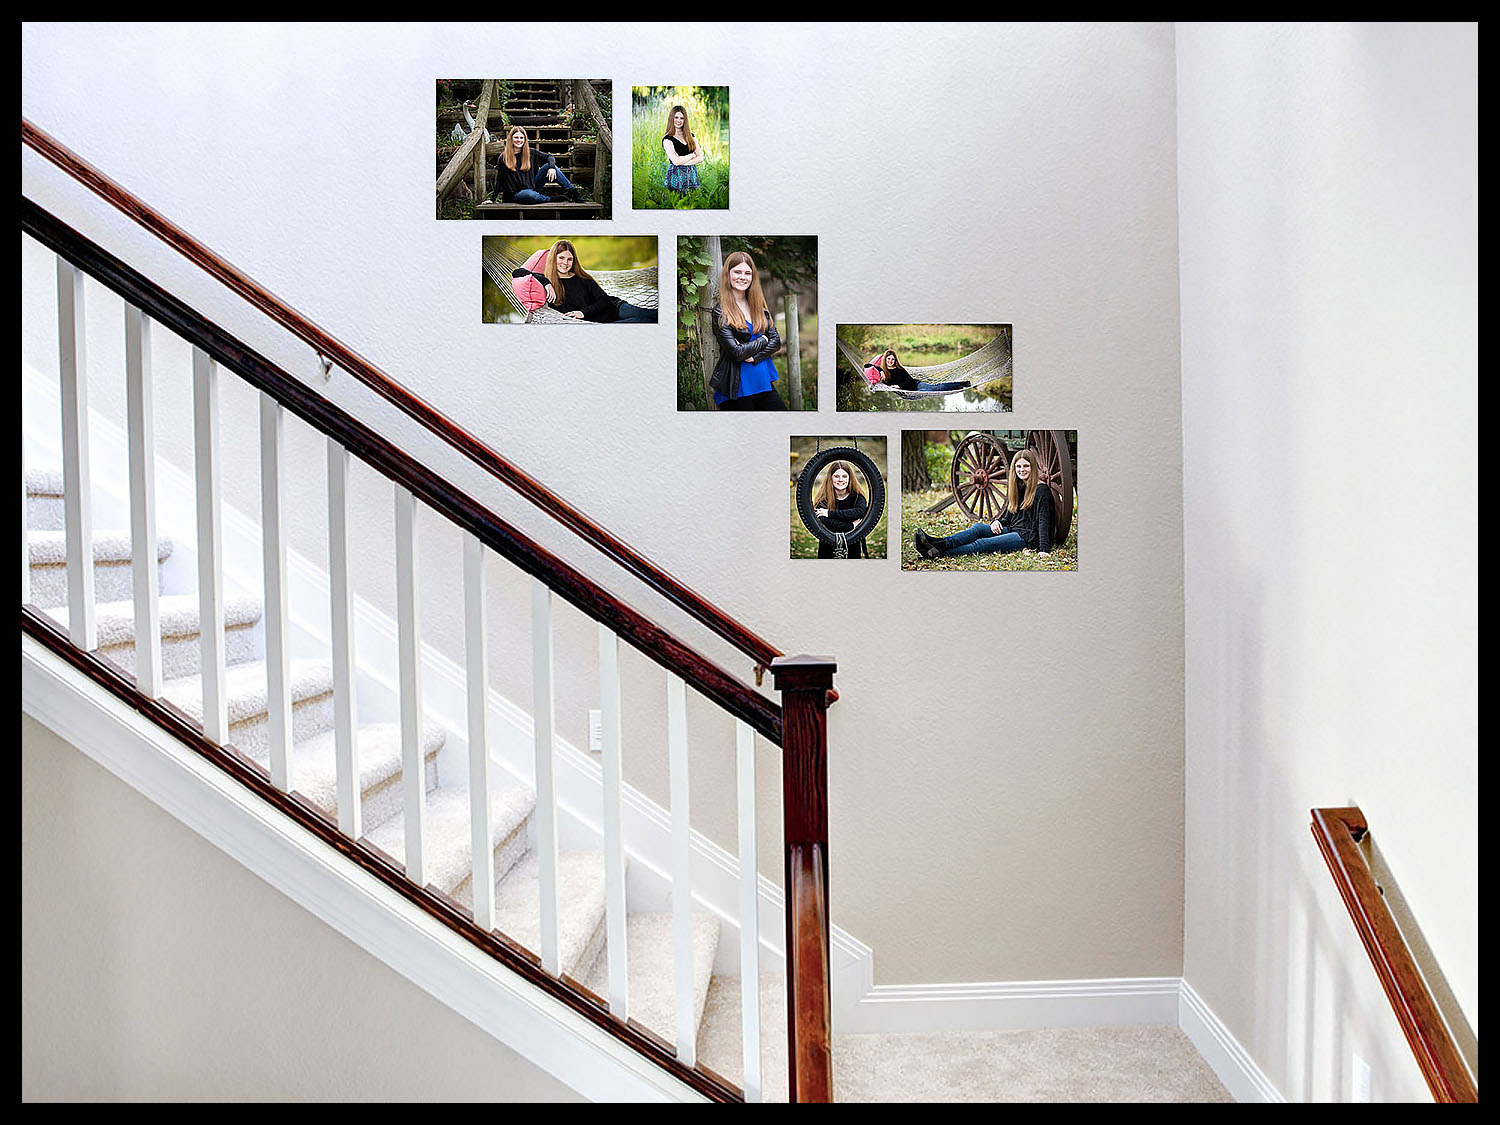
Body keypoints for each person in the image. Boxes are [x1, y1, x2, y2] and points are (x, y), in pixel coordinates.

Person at [913, 448, 1054, 559]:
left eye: (1026, 466)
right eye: (1018, 466)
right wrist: (997, 521)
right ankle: (939, 543)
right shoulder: (1018, 486)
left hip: (1028, 538)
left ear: (1033, 467)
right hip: (1013, 529)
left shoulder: (1041, 490)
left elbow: (1044, 521)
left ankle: (937, 553)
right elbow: (1009, 517)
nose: (1022, 470)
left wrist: (1043, 549)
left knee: (982, 544)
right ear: (1014, 469)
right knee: (978, 528)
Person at [510, 239, 657, 323]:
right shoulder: (548, 283)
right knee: (644, 323)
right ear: (553, 259)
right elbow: (518, 273)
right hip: (602, 324)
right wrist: (546, 282)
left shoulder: (581, 278)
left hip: (616, 309)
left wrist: (582, 313)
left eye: (569, 259)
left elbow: (605, 300)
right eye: (561, 258)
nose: (565, 263)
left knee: (653, 316)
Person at [709, 252, 785, 409]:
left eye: (747, 273)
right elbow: (737, 353)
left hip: (764, 383)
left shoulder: (759, 308)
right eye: (737, 272)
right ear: (728, 275)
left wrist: (755, 356)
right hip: (738, 390)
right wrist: (764, 340)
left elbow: (776, 342)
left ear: (752, 277)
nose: (742, 277)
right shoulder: (721, 312)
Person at [492, 125, 585, 205]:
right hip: (516, 194)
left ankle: (573, 192)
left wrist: (552, 167)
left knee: (549, 166)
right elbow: (500, 180)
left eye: (521, 138)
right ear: (511, 139)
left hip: (532, 186)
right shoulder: (504, 157)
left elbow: (550, 157)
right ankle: (551, 199)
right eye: (516, 137)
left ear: (525, 139)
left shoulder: (531, 152)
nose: (519, 140)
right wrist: (492, 199)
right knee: (528, 195)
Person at [813, 461, 871, 559]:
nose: (840, 480)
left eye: (844, 476)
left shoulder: (857, 497)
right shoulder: (823, 499)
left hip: (852, 544)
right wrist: (851, 525)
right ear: (830, 478)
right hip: (827, 545)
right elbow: (823, 519)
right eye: (836, 476)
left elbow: (860, 512)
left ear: (849, 478)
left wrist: (829, 513)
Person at [863, 348, 970, 393]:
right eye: (888, 359)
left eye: (893, 359)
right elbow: (867, 365)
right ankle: (958, 386)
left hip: (916, 386)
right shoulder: (883, 372)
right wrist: (880, 370)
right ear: (885, 360)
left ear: (895, 360)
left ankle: (961, 384)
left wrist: (898, 386)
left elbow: (910, 381)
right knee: (933, 390)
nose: (890, 361)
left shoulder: (900, 369)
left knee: (936, 388)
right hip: (910, 392)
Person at [662, 104, 706, 194]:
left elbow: (701, 157)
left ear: (685, 120)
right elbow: (676, 161)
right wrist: (692, 155)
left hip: (692, 175)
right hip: (676, 176)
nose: (679, 121)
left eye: (682, 118)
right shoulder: (667, 139)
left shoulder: (691, 136)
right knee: (677, 203)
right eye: (676, 117)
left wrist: (684, 162)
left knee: (693, 203)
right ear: (671, 118)